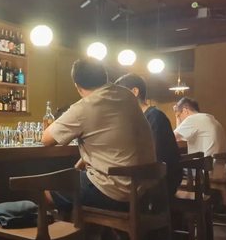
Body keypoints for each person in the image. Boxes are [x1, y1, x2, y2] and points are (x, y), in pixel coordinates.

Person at [42, 58, 155, 211]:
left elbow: (46, 139)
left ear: (77, 86)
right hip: (143, 192)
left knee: (47, 188)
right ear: (105, 77)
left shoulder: (84, 107)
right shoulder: (127, 95)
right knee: (74, 181)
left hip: (113, 192)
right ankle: (88, 225)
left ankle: (72, 227)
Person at [114, 73, 182, 195]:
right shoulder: (139, 119)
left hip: (161, 183)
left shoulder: (155, 117)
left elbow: (155, 157)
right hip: (148, 179)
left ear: (134, 92)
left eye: (119, 94)